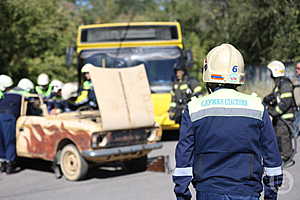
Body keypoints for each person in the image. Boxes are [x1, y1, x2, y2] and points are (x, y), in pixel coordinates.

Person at [173, 44, 282, 200]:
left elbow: (184, 158)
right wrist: (271, 195)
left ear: (208, 74)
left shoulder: (193, 109)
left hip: (208, 192)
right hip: (248, 192)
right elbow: (272, 157)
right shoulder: (257, 108)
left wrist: (182, 195)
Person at [263, 60, 297, 165]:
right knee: (277, 135)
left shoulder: (285, 84)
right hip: (280, 117)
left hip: (285, 117)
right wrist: (266, 99)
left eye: (271, 72)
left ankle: (286, 158)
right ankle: (280, 156)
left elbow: (286, 102)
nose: (270, 75)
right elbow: (275, 96)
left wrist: (273, 112)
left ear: (275, 72)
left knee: (283, 136)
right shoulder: (279, 84)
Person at [0, 90, 22, 174]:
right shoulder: (21, 95)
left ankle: (2, 163)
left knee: (1, 140)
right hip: (8, 117)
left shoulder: (6, 94)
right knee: (9, 140)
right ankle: (9, 164)